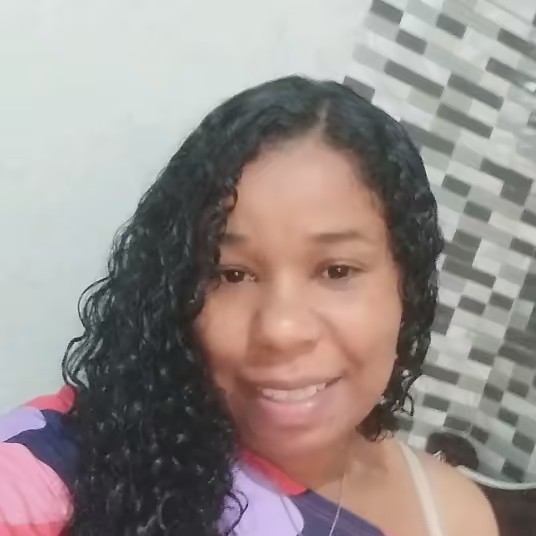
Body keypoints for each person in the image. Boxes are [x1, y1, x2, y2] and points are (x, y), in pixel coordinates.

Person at [0, 76, 498, 536]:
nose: (280, 328)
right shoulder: (64, 464)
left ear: (406, 287)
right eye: (232, 274)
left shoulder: (454, 515)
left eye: (336, 271)